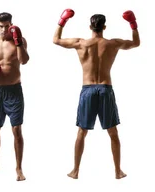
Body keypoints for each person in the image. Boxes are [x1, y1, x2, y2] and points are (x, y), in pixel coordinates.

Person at [53, 9, 139, 180]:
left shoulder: (81, 43)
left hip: (88, 89)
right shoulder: (113, 44)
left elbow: (56, 40)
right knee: (113, 132)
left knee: (81, 132)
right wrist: (133, 23)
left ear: (90, 26)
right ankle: (118, 171)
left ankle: (75, 171)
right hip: (106, 89)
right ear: (104, 27)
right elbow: (136, 42)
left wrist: (63, 21)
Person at [0, 12, 30, 181]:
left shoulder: (19, 40)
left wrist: (18, 43)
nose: (3, 29)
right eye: (0, 26)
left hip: (14, 90)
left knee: (16, 129)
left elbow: (24, 60)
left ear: (11, 25)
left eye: (6, 26)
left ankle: (19, 168)